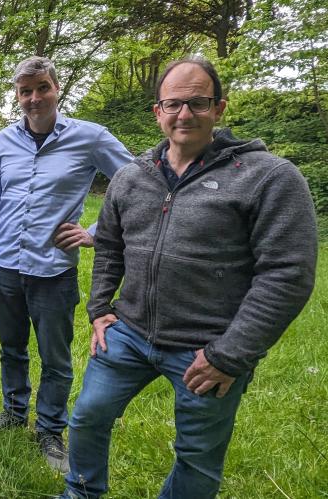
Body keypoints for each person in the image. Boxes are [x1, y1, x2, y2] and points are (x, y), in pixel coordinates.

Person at [61, 57, 318, 499]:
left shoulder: (269, 178)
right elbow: (110, 247)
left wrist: (230, 354)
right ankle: (81, 493)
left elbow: (287, 274)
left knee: (197, 455)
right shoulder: (131, 177)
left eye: (197, 103)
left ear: (219, 108)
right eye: (173, 104)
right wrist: (100, 308)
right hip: (129, 335)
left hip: (207, 348)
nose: (185, 114)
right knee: (88, 415)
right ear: (158, 112)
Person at [0, 56, 132, 472]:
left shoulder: (90, 137)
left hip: (54, 270)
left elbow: (137, 182)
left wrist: (96, 232)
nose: (34, 98)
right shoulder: (4, 141)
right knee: (11, 348)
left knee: (54, 358)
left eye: (42, 88)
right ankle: (14, 411)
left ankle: (51, 430)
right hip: (6, 265)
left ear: (57, 89)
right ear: (18, 96)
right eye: (26, 91)